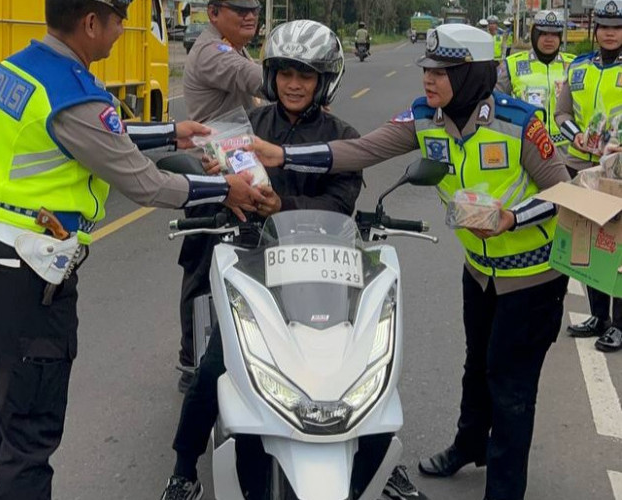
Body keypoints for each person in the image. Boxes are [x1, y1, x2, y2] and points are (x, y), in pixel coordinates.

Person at [0, 1, 264, 499]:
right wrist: (224, 189)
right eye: (118, 20)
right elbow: (143, 184)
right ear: (91, 22)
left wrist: (169, 131)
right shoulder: (73, 93)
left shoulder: (18, 69)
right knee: (29, 433)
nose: (122, 31)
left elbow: (89, 136)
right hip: (25, 268)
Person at [249, 23, 570, 500]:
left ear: (473, 75)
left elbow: (564, 194)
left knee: (511, 388)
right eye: (428, 69)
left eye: (444, 71)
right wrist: (284, 154)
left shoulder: (521, 122)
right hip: (480, 272)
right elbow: (359, 150)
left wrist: (511, 217)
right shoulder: (425, 119)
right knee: (476, 366)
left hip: (532, 278)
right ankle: (468, 445)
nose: (429, 79)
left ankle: (504, 491)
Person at [159, 20, 426, 500]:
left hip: (325, 269)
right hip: (254, 268)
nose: (294, 84)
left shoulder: (342, 138)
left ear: (325, 79)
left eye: (306, 74)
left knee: (364, 365)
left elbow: (341, 203)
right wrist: (219, 184)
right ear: (271, 76)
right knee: (217, 365)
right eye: (284, 73)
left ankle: (382, 462)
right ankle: (183, 469)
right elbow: (217, 189)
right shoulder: (247, 128)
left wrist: (284, 207)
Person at [177, 0, 264, 392]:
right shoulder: (215, 52)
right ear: (213, 14)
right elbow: (254, 80)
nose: (250, 15)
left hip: (236, 170)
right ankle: (190, 358)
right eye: (239, 8)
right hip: (209, 177)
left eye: (255, 8)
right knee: (201, 268)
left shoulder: (236, 47)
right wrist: (301, 76)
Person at [555, 0, 622, 352]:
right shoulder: (579, 67)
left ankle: (621, 324)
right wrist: (576, 136)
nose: (610, 32)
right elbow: (561, 112)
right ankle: (600, 316)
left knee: (619, 249)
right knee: (591, 246)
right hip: (582, 167)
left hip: (619, 174)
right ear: (596, 30)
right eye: (605, 25)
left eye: (617, 26)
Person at [496, 10, 575, 151]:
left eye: (554, 34)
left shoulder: (574, 65)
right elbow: (496, 101)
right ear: (534, 35)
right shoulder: (512, 64)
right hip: (527, 147)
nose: (549, 39)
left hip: (567, 149)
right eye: (543, 34)